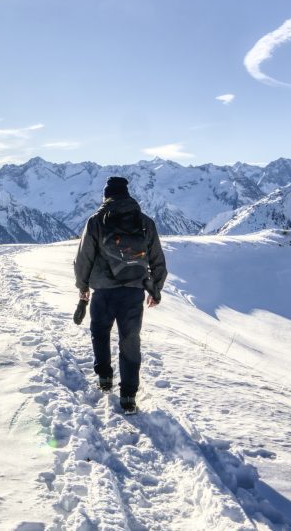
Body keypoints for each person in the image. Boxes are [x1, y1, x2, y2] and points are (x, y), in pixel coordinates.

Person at [72, 176, 167, 414]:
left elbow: (83, 258)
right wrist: (155, 290)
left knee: (100, 332)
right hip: (133, 292)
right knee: (130, 341)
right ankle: (128, 397)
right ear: (127, 194)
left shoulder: (96, 221)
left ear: (106, 196)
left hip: (103, 292)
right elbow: (157, 260)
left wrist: (82, 287)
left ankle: (104, 377)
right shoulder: (145, 222)